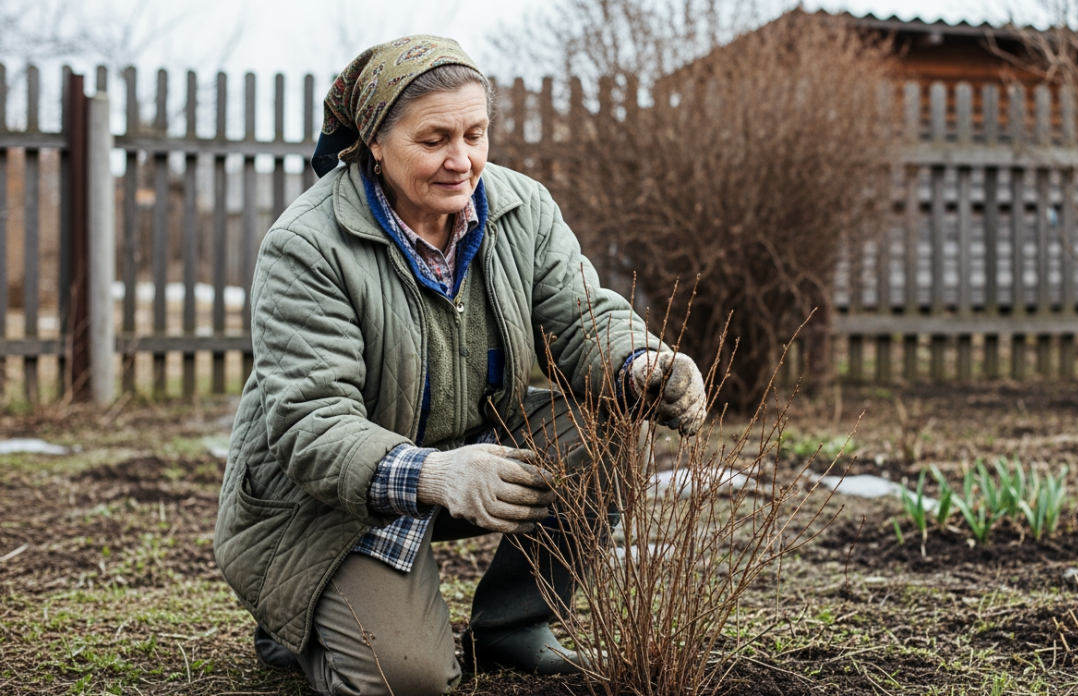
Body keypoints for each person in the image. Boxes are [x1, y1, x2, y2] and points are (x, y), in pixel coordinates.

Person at [213, 36, 707, 696]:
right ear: (376, 143)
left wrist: (642, 365)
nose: (462, 160)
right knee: (410, 680)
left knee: (613, 424)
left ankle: (512, 626)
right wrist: (438, 473)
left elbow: (582, 313)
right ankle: (296, 625)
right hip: (325, 501)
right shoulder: (306, 248)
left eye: (476, 133)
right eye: (435, 138)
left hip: (460, 453)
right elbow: (311, 426)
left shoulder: (518, 208)